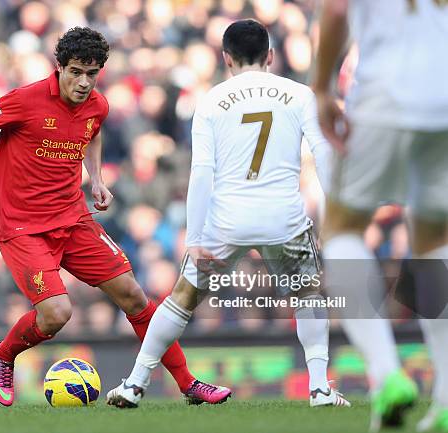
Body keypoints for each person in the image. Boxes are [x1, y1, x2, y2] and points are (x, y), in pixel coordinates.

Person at [0, 27, 230, 407]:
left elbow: (93, 131)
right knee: (56, 314)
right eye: (76, 72)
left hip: (73, 220)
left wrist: (97, 178)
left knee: (135, 296)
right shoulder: (25, 100)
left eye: (92, 73)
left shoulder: (98, 105)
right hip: (24, 229)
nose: (84, 82)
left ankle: (188, 384)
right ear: (60, 68)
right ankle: (3, 354)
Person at [107, 19, 349, 409]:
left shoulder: (211, 101)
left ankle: (135, 384)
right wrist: (336, 217)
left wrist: (197, 237)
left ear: (226, 58)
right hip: (283, 218)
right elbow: (324, 156)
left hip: (226, 220)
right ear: (270, 55)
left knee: (181, 300)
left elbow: (201, 173)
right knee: (309, 293)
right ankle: (320, 387)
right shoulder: (300, 94)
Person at [314, 0, 448, 431]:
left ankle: (387, 375)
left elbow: (336, 11)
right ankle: (445, 400)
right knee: (435, 240)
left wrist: (320, 88)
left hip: (383, 95)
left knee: (341, 226)